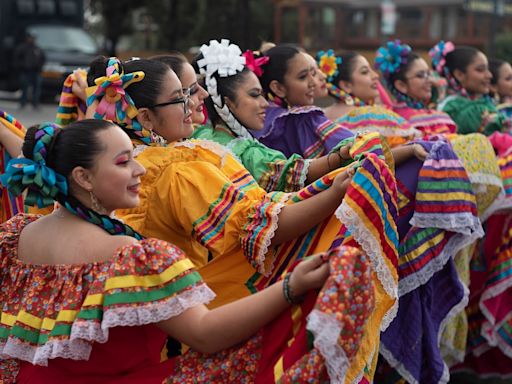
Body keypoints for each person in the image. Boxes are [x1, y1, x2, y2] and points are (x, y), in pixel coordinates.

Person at [0, 119, 379, 383]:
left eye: (134, 156)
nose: (140, 170)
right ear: (81, 177)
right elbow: (204, 333)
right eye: (123, 162)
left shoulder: (16, 237)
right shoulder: (127, 254)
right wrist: (289, 288)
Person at [13, 33, 46, 109]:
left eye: (33, 38)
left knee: (36, 89)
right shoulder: (22, 48)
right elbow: (16, 59)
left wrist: (39, 66)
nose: (32, 40)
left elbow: (43, 59)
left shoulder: (37, 48)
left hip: (36, 71)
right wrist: (22, 66)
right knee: (24, 88)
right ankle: (22, 103)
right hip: (26, 71)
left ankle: (35, 103)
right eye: (30, 38)